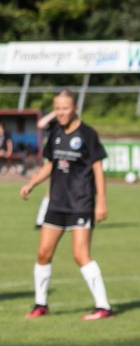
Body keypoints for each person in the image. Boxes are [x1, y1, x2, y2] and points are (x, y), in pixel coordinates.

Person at [18, 90, 114, 320]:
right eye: (57, 108)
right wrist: (31, 183)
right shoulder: (56, 132)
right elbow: (50, 165)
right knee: (43, 253)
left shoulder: (88, 134)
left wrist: (101, 201)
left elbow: (98, 170)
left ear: (75, 108)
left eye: (65, 108)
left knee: (80, 255)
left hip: (81, 203)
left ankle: (103, 307)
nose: (60, 113)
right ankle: (40, 304)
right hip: (57, 203)